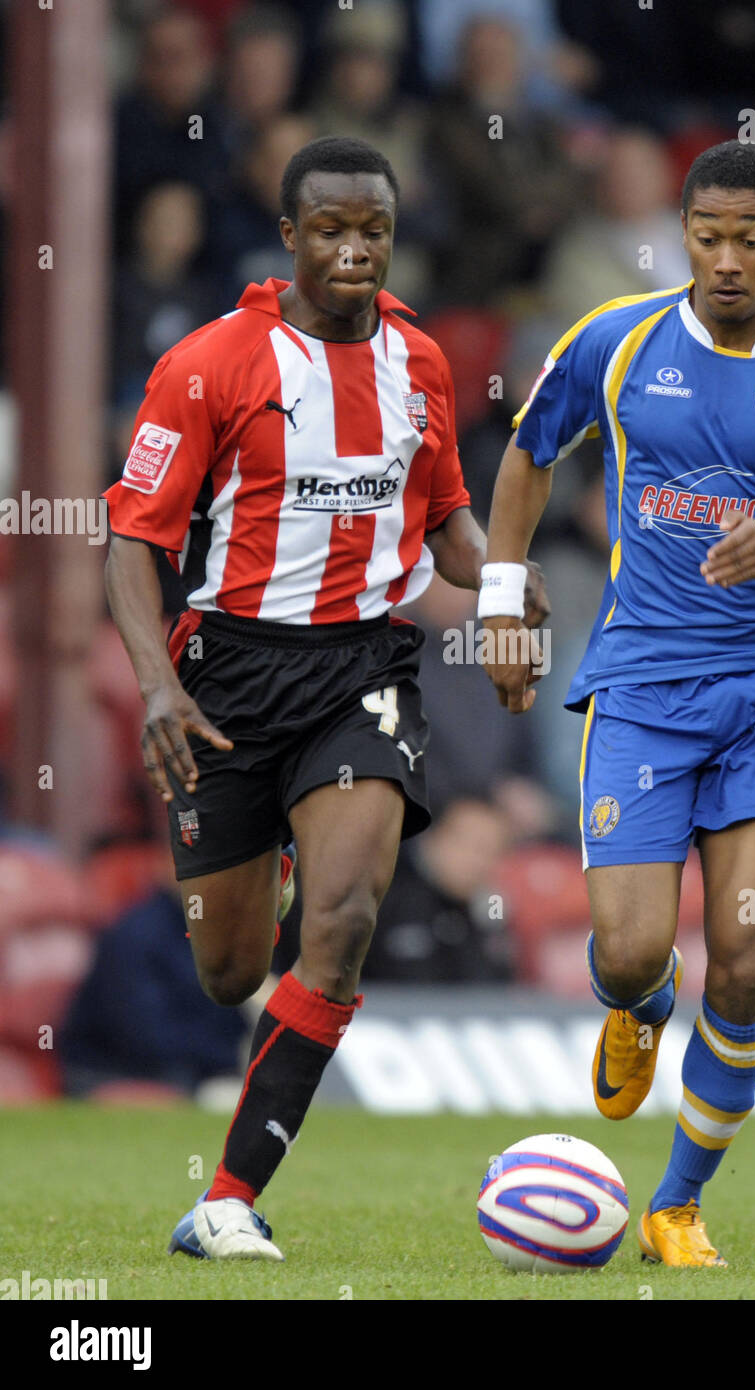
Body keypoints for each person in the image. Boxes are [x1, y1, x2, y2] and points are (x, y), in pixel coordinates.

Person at [103, 136, 546, 1262]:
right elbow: (132, 539)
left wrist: (498, 581)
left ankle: (228, 1200)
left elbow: (442, 514)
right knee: (231, 969)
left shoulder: (422, 363)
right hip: (228, 678)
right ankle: (283, 833)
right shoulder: (211, 363)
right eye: (333, 229)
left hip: (362, 665)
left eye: (375, 230)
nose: (356, 249)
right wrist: (156, 680)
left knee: (343, 922)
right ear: (292, 237)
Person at [481, 141, 755, 1267]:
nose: (724, 259)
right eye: (705, 236)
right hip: (640, 682)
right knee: (625, 952)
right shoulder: (616, 340)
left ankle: (675, 1201)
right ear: (684, 233)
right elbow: (527, 454)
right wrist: (504, 596)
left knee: (751, 954)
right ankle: (639, 1004)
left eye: (748, 239)